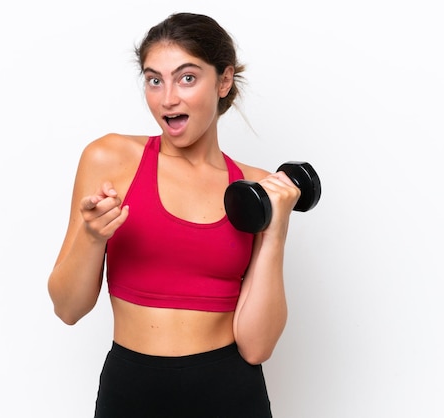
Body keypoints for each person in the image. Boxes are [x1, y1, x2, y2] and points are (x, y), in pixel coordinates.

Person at [47, 12, 301, 418]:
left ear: (223, 80)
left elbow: (257, 347)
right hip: (131, 391)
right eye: (154, 80)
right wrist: (92, 238)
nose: (167, 99)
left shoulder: (254, 188)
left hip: (231, 394)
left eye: (186, 78)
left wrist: (276, 231)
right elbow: (68, 309)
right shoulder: (110, 159)